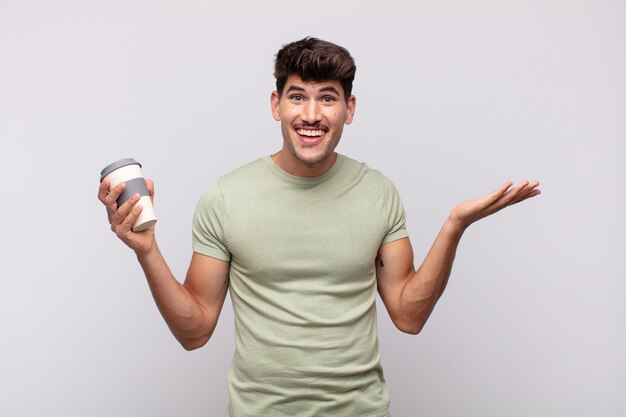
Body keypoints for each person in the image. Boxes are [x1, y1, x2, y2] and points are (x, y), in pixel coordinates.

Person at [98, 37, 540, 417]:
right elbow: (194, 332)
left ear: (349, 109)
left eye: (327, 98)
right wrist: (148, 252)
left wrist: (454, 227)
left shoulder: (378, 192)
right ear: (276, 105)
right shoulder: (225, 197)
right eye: (297, 96)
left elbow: (409, 315)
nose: (311, 114)